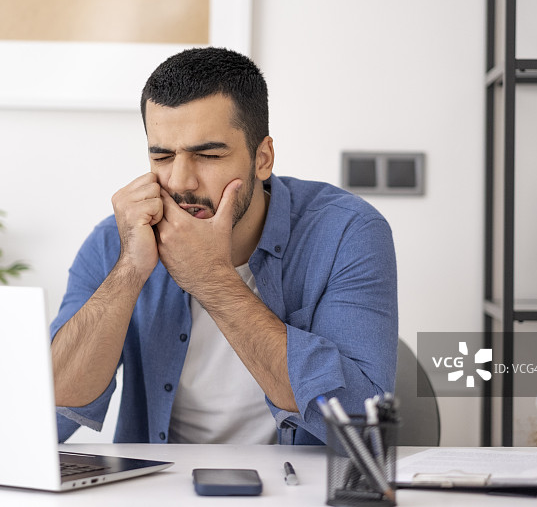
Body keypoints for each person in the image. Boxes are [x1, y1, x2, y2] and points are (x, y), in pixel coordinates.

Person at [50, 47, 397, 445]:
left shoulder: (347, 233)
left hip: (299, 490)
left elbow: (362, 423)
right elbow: (51, 414)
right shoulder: (118, 238)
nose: (180, 182)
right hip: (160, 488)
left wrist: (211, 279)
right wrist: (129, 270)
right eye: (162, 156)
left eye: (209, 155)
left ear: (262, 158)